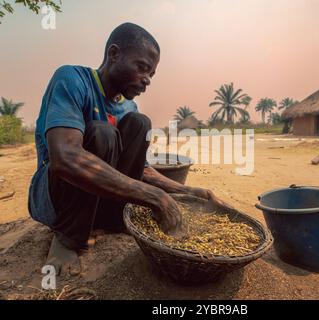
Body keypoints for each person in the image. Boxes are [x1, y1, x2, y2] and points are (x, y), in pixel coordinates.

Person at [28, 22, 222, 275]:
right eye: (142, 68)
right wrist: (156, 198)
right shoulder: (72, 79)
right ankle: (67, 238)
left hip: (98, 201)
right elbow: (65, 157)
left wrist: (189, 191)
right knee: (102, 132)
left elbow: (142, 170)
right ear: (114, 54)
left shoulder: (129, 108)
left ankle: (109, 222)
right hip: (55, 198)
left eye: (151, 74)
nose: (147, 80)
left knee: (140, 124)